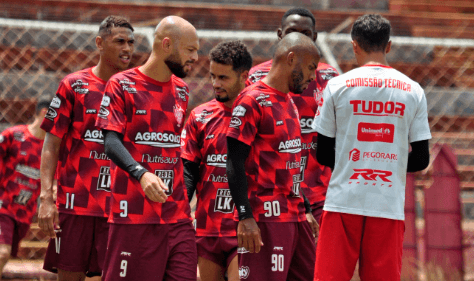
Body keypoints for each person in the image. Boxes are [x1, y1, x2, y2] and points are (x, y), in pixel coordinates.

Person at [312, 14, 431, 280]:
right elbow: (421, 158)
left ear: (354, 45)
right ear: (388, 46)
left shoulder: (336, 86)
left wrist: (352, 163)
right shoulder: (413, 90)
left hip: (342, 203)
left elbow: (321, 152)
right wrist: (387, 163)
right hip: (387, 205)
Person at [95, 16, 199, 281]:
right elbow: (110, 141)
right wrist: (141, 173)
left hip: (177, 216)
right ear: (166, 44)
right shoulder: (121, 84)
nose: (196, 57)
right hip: (134, 215)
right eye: (190, 49)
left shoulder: (182, 90)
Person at [38, 15, 135, 280]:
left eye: (131, 42)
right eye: (119, 42)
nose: (127, 48)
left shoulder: (134, 90)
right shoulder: (74, 84)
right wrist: (46, 197)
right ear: (99, 43)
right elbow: (51, 143)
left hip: (119, 208)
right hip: (75, 205)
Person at [226, 32, 320, 281]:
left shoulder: (290, 101)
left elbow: (292, 163)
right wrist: (245, 216)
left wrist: (305, 207)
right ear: (291, 59)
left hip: (295, 215)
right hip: (264, 218)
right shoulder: (251, 100)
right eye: (311, 67)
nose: (313, 77)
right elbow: (233, 161)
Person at [247, 7, 339, 225]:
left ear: (314, 37)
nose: (297, 38)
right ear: (280, 35)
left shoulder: (329, 78)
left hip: (321, 194)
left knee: (319, 259)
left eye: (305, 34)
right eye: (291, 32)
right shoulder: (257, 77)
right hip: (274, 193)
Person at [181, 40, 252, 281]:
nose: (215, 84)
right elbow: (188, 170)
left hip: (244, 228)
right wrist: (181, 215)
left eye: (223, 78)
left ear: (244, 76)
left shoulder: (261, 113)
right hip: (208, 228)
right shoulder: (200, 115)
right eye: (213, 76)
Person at [0, 101, 49, 277]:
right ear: (45, 112)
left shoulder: (50, 149)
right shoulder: (14, 135)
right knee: (2, 253)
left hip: (24, 213)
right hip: (3, 206)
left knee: (5, 256)